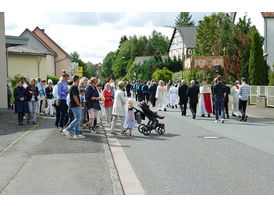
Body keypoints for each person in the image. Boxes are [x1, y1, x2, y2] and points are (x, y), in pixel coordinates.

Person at [63, 75, 85, 139]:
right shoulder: (74, 87)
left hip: (74, 105)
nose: (79, 81)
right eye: (79, 79)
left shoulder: (74, 86)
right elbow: (75, 96)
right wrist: (79, 104)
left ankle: (77, 134)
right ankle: (67, 129)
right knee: (78, 118)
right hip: (74, 105)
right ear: (77, 80)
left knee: (77, 118)